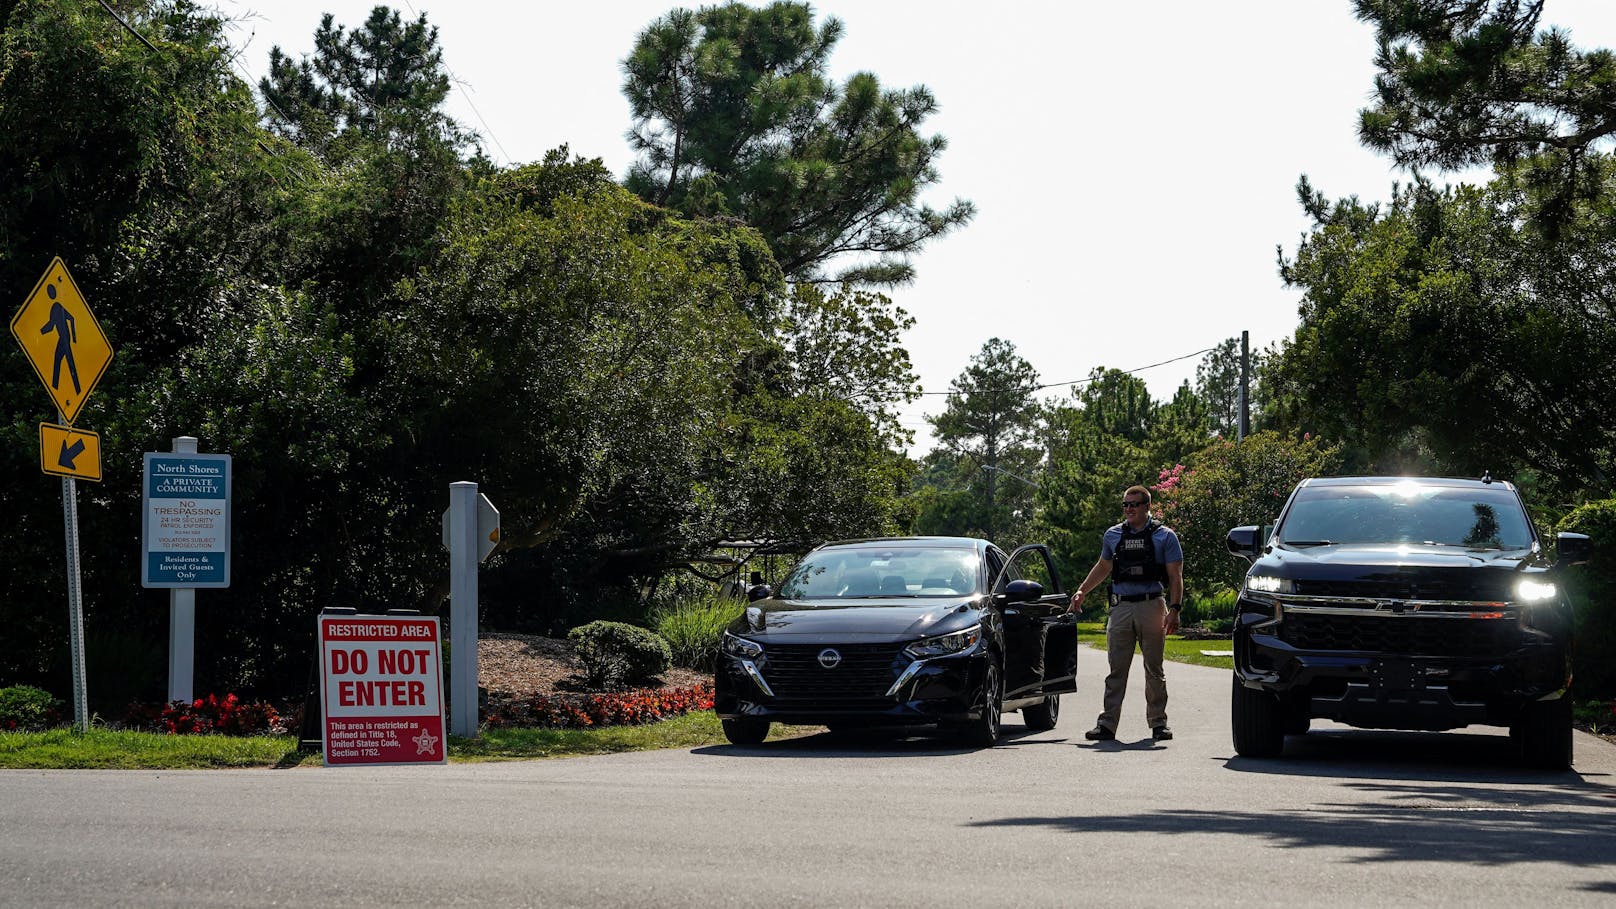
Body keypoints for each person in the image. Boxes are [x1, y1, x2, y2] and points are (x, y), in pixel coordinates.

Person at [1066, 485, 1184, 742]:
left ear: (1147, 506)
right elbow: (1104, 565)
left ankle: (1158, 723)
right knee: (1116, 669)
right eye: (1126, 505)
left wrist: (1174, 609)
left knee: (1154, 668)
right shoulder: (1113, 535)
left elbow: (1175, 576)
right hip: (1121, 607)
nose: (1129, 509)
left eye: (1135, 504)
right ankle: (1107, 724)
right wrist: (1081, 590)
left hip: (1152, 605)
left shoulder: (1165, 536)